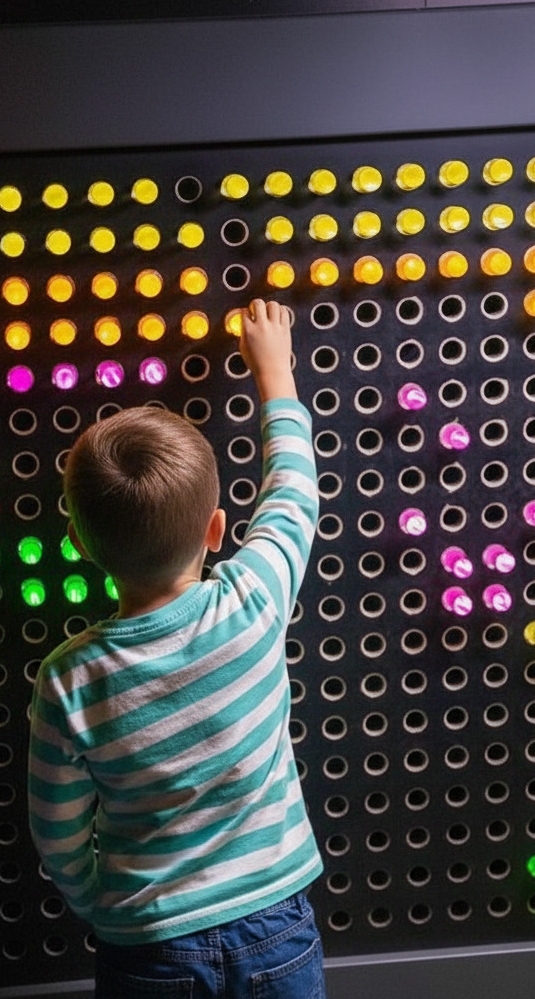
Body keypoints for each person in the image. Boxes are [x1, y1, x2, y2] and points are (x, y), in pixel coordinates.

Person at [28, 298, 327, 998]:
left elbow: (57, 831)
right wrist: (274, 373)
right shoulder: (253, 601)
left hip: (147, 946)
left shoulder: (70, 678)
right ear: (217, 529)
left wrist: (104, 901)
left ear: (78, 545)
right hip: (276, 925)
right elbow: (294, 493)